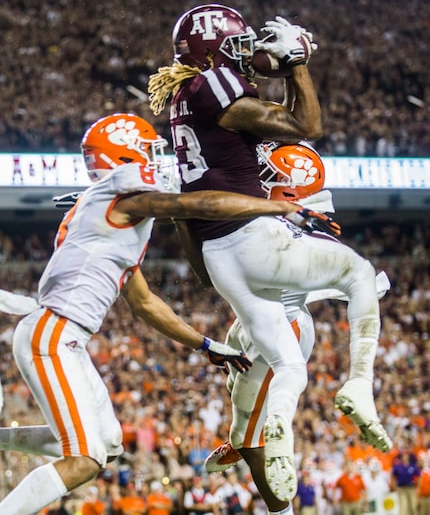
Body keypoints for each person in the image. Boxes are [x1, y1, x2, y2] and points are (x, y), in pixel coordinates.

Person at [0, 112, 328, 515]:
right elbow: (196, 203)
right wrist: (270, 206)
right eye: (147, 153)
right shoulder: (124, 198)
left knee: (108, 444)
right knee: (83, 460)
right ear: (122, 160)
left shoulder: (114, 220)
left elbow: (145, 303)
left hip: (62, 337)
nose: (155, 161)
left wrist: (205, 344)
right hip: (52, 336)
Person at [148, 2, 391, 505]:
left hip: (224, 258)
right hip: (253, 243)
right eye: (235, 46)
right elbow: (305, 125)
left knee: (280, 375)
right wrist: (296, 63)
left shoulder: (190, 98)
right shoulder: (221, 98)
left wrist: (282, 63)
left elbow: (279, 129)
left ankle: (273, 437)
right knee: (358, 277)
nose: (245, 56)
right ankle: (355, 386)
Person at [203, 143, 390, 515]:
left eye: (267, 176)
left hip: (278, 327)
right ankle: (243, 436)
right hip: (255, 318)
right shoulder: (292, 219)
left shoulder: (281, 228)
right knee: (230, 374)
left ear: (291, 190)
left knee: (253, 439)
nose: (257, 180)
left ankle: (254, 457)